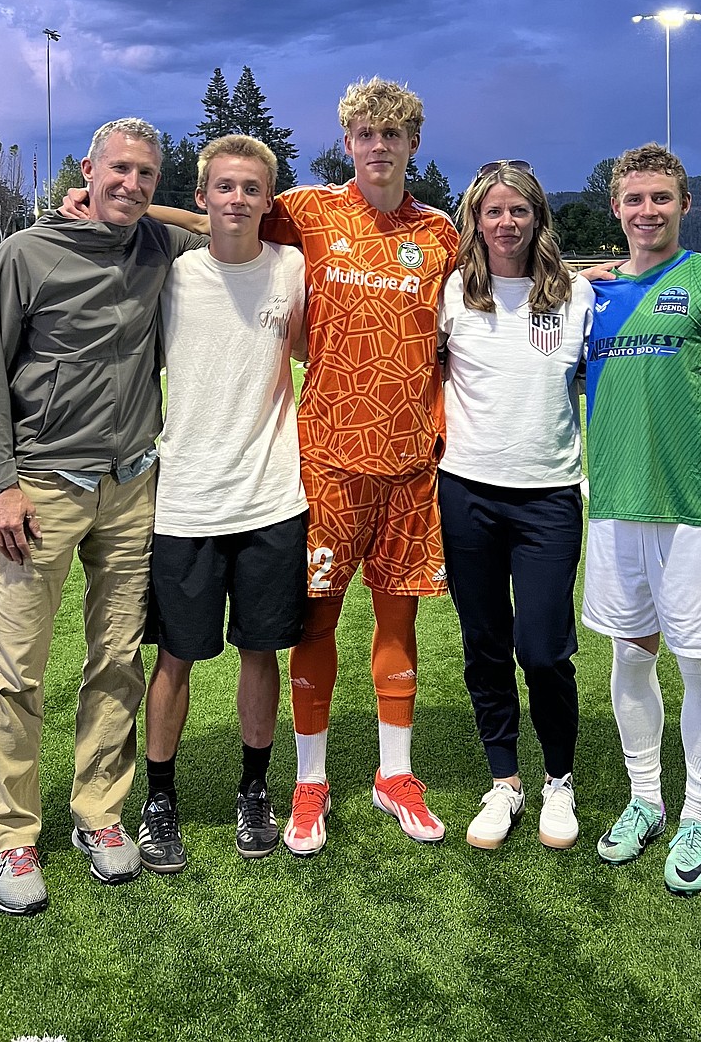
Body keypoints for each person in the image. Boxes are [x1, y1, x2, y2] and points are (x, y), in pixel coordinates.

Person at [140, 78, 460, 854]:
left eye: (392, 135)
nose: (378, 147)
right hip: (321, 465)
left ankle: (395, 775)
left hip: (411, 464)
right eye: (365, 135)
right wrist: (133, 207)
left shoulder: (444, 233)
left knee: (398, 619)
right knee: (312, 625)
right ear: (347, 142)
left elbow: (492, 291)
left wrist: (584, 275)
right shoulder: (312, 212)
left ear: (412, 144)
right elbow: (230, 214)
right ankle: (307, 783)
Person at [0, 117, 205, 916]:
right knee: (18, 668)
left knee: (116, 662)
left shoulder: (156, 249)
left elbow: (227, 224)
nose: (132, 186)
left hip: (135, 487)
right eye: (118, 172)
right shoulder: (27, 253)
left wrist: (152, 212)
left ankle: (99, 815)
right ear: (87, 168)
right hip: (40, 488)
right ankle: (9, 835)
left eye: (146, 175)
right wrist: (1, 484)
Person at [583, 143, 701, 896]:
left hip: (697, 510)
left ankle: (698, 811)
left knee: (698, 662)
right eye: (634, 199)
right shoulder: (591, 295)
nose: (647, 210)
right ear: (616, 209)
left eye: (661, 197)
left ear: (683, 205)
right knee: (630, 657)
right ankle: (645, 801)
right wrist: (571, 278)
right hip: (617, 508)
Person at [135, 135, 308, 872]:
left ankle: (253, 790)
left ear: (269, 200)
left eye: (251, 188)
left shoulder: (292, 268)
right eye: (224, 187)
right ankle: (159, 799)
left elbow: (304, 349)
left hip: (273, 497)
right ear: (203, 197)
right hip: (187, 501)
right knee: (176, 657)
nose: (237, 199)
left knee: (260, 650)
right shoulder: (171, 276)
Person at [438, 161, 593, 850]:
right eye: (493, 212)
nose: (506, 223)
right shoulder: (452, 292)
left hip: (549, 498)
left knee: (542, 649)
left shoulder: (577, 295)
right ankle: (505, 781)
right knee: (486, 646)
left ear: (538, 218)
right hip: (467, 491)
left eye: (519, 211)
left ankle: (559, 778)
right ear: (475, 219)